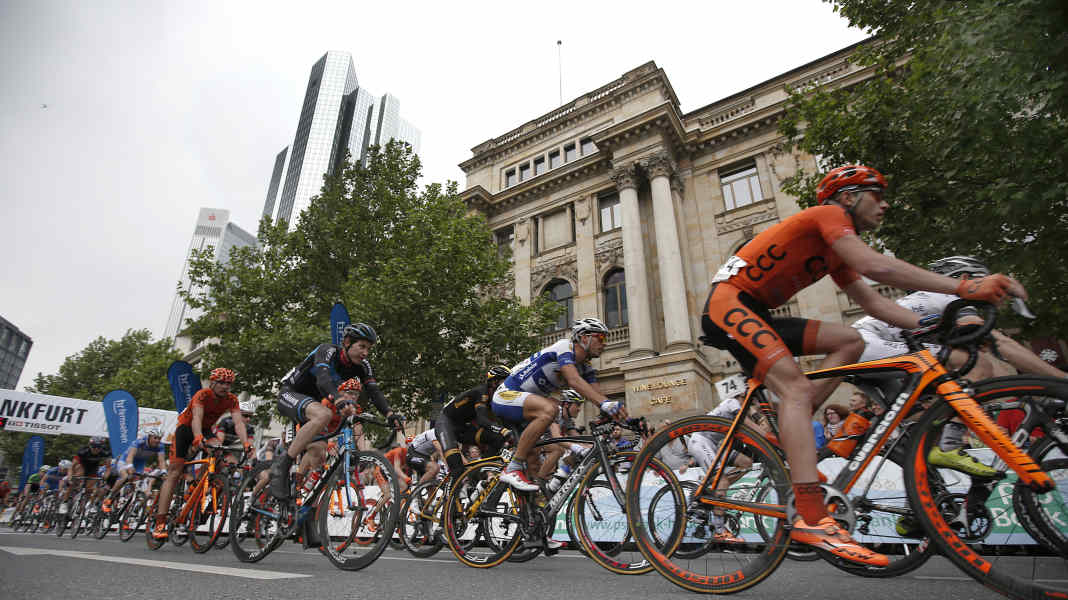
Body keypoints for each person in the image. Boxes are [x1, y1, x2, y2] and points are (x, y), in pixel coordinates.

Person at [699, 164, 1026, 567]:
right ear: (849, 197)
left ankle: (791, 430)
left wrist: (938, 321)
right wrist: (964, 285)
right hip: (727, 305)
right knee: (798, 388)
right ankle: (811, 517)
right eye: (878, 193)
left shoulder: (836, 252)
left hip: (756, 312)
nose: (885, 203)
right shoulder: (828, 215)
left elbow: (876, 304)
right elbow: (878, 267)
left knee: (849, 340)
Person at [271, 323, 404, 500]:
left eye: (369, 349)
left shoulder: (362, 366)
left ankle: (300, 507)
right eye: (362, 346)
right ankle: (282, 465)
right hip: (291, 393)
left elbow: (374, 391)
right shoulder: (327, 351)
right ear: (347, 342)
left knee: (319, 452)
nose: (365, 353)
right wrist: (339, 398)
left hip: (312, 404)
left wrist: (389, 414)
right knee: (324, 414)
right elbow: (322, 379)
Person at [493, 317, 625, 492]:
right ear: (584, 337)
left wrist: (623, 417)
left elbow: (598, 396)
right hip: (506, 396)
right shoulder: (565, 347)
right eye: (600, 338)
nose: (604, 344)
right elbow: (574, 381)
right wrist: (605, 404)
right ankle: (512, 468)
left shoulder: (585, 366)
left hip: (524, 405)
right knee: (551, 409)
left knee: (533, 466)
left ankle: (531, 511)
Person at [153, 367, 250, 540]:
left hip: (206, 430)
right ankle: (160, 522)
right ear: (212, 382)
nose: (225, 386)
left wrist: (246, 443)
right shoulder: (203, 395)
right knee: (174, 472)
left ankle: (203, 489)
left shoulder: (232, 399)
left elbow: (238, 424)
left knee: (220, 458)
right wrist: (197, 437)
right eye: (221, 382)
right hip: (186, 429)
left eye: (228, 383)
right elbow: (197, 417)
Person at [436, 365, 512, 479]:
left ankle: (482, 470)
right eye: (504, 382)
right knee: (457, 467)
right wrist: (502, 430)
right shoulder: (482, 392)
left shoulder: (495, 398)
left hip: (464, 428)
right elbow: (482, 420)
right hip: (446, 423)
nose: (507, 387)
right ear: (494, 382)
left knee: (498, 438)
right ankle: (450, 493)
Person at [104, 428, 166, 512]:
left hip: (140, 463)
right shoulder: (140, 442)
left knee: (136, 483)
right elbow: (130, 456)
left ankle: (126, 506)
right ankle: (109, 498)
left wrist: (164, 472)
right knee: (125, 476)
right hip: (126, 460)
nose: (157, 440)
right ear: (150, 437)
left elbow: (161, 461)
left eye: (159, 438)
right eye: (155, 438)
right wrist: (129, 466)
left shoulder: (160, 446)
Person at [61, 436, 112, 514]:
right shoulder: (83, 451)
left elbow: (108, 468)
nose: (96, 449)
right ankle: (64, 503)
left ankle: (87, 504)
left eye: (99, 447)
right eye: (94, 447)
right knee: (73, 481)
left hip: (93, 468)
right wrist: (70, 477)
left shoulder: (105, 452)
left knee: (90, 489)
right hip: (82, 465)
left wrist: (104, 478)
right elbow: (72, 466)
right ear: (90, 446)